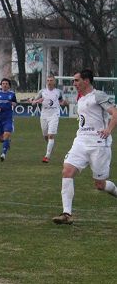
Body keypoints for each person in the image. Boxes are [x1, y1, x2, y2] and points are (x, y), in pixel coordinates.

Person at [53, 69, 117, 225]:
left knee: (100, 185)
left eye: (76, 80)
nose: (74, 83)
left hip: (99, 144)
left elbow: (115, 113)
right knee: (67, 171)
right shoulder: (80, 97)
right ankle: (67, 214)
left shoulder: (98, 95)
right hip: (80, 141)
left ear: (86, 81)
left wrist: (108, 130)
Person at [31, 75, 67, 163]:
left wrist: (64, 102)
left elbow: (62, 101)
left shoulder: (58, 92)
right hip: (44, 115)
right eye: (48, 80)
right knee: (45, 136)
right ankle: (50, 145)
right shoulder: (42, 92)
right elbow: (33, 103)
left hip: (54, 114)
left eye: (51, 80)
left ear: (54, 82)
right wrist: (36, 101)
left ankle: (47, 156)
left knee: (51, 135)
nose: (49, 82)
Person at [0, 78, 18, 161]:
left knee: (6, 134)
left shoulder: (12, 94)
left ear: (9, 85)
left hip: (8, 118)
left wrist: (14, 103)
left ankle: (3, 154)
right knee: (1, 138)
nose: (5, 85)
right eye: (3, 83)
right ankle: (6, 142)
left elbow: (15, 103)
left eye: (6, 83)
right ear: (1, 85)